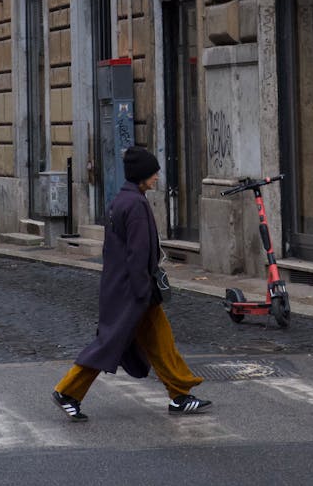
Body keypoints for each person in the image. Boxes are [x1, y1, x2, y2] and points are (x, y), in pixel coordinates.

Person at [52, 146, 212, 420]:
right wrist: (143, 292)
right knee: (108, 345)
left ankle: (180, 395)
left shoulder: (121, 201)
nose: (158, 177)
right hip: (134, 292)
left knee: (161, 343)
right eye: (154, 173)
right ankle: (67, 391)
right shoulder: (136, 205)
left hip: (124, 288)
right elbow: (137, 254)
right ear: (142, 176)